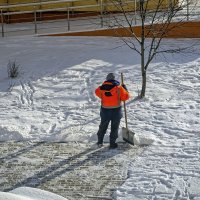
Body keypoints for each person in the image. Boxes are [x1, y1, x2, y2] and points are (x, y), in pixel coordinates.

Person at [95, 73, 130, 149]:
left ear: (107, 79)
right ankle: (112, 144)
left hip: (105, 111)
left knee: (103, 126)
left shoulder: (101, 88)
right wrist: (125, 89)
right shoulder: (119, 88)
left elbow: (97, 92)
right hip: (116, 111)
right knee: (114, 128)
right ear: (114, 79)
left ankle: (100, 142)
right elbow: (125, 97)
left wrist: (103, 96)